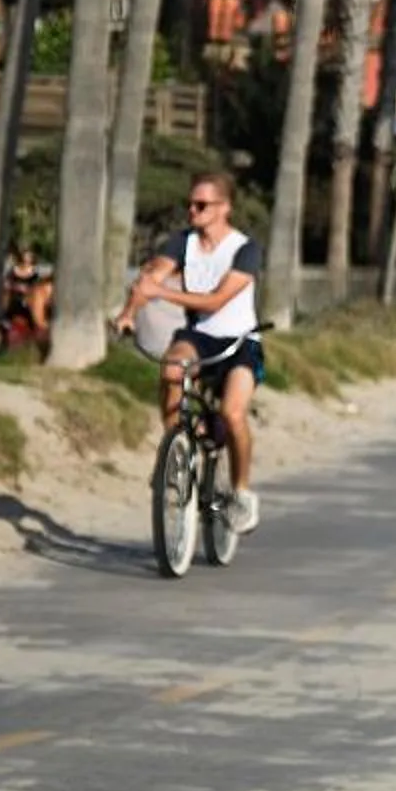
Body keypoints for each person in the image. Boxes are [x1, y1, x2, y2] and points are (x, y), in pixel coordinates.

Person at [116, 171, 264, 536]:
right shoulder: (182, 242)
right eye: (190, 204)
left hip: (239, 341)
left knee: (232, 412)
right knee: (170, 370)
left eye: (201, 205)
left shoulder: (245, 249)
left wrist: (162, 291)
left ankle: (242, 491)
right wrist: (129, 313)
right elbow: (151, 277)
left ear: (224, 208)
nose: (192, 210)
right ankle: (177, 454)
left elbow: (214, 301)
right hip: (198, 336)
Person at [0, 241, 53, 358]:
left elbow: (36, 288)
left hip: (28, 300)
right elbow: (7, 285)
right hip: (15, 299)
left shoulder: (35, 274)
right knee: (8, 316)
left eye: (30, 255)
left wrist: (27, 290)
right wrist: (13, 287)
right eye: (26, 254)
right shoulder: (13, 271)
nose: (28, 257)